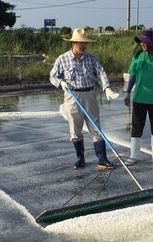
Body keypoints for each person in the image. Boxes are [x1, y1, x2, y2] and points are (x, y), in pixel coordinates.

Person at [50, 28, 119, 170]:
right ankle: (80, 158)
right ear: (74, 43)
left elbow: (101, 73)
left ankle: (102, 159)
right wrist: (60, 83)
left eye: (85, 43)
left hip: (90, 95)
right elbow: (53, 76)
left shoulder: (91, 58)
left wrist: (106, 88)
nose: (84, 46)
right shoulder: (62, 59)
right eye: (81, 43)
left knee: (95, 127)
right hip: (72, 96)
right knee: (75, 130)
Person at [123, 29, 153, 164]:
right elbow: (132, 76)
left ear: (152, 43)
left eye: (144, 42)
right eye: (141, 42)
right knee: (136, 127)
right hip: (139, 98)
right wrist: (127, 92)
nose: (142, 44)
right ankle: (134, 155)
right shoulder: (137, 56)